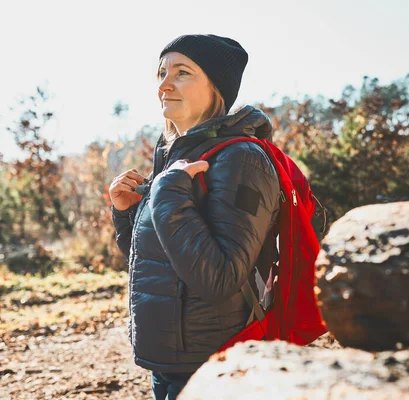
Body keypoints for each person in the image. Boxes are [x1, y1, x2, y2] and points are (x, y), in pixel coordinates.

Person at [109, 34, 280, 400]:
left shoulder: (241, 159)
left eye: (182, 72)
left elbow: (220, 278)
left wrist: (167, 195)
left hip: (213, 366)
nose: (164, 85)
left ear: (216, 87)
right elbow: (159, 265)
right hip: (169, 361)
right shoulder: (176, 158)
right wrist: (126, 215)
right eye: (161, 73)